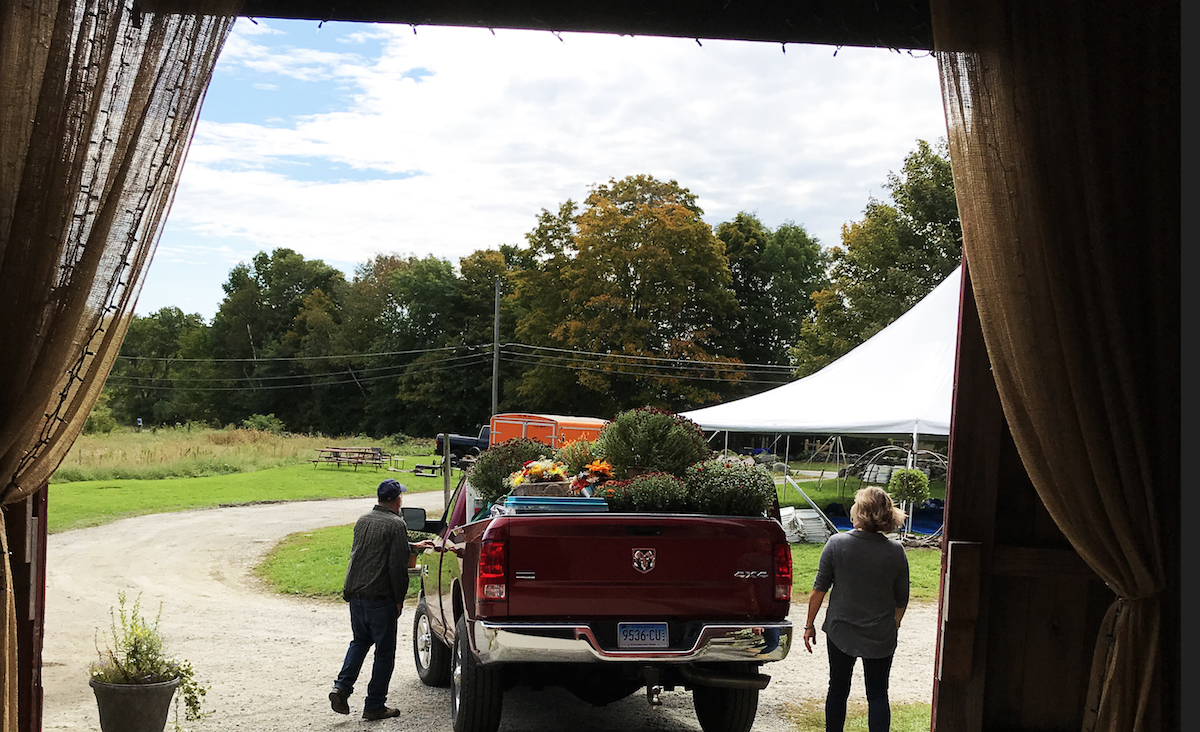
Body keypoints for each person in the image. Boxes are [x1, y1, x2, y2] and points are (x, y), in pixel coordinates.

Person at [803, 486, 909, 732]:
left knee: (838, 689)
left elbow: (819, 590)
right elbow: (901, 598)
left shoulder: (836, 543)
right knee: (878, 694)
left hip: (841, 631)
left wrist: (809, 625)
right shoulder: (895, 551)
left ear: (860, 512)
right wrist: (893, 624)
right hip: (880, 633)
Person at [329, 479, 433, 720]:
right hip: (380, 597)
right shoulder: (397, 524)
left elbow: (376, 547)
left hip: (356, 593)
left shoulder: (364, 520)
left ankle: (341, 688)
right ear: (398, 500)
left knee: (359, 642)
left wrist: (412, 546)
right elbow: (397, 566)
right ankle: (374, 704)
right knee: (384, 653)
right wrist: (399, 599)